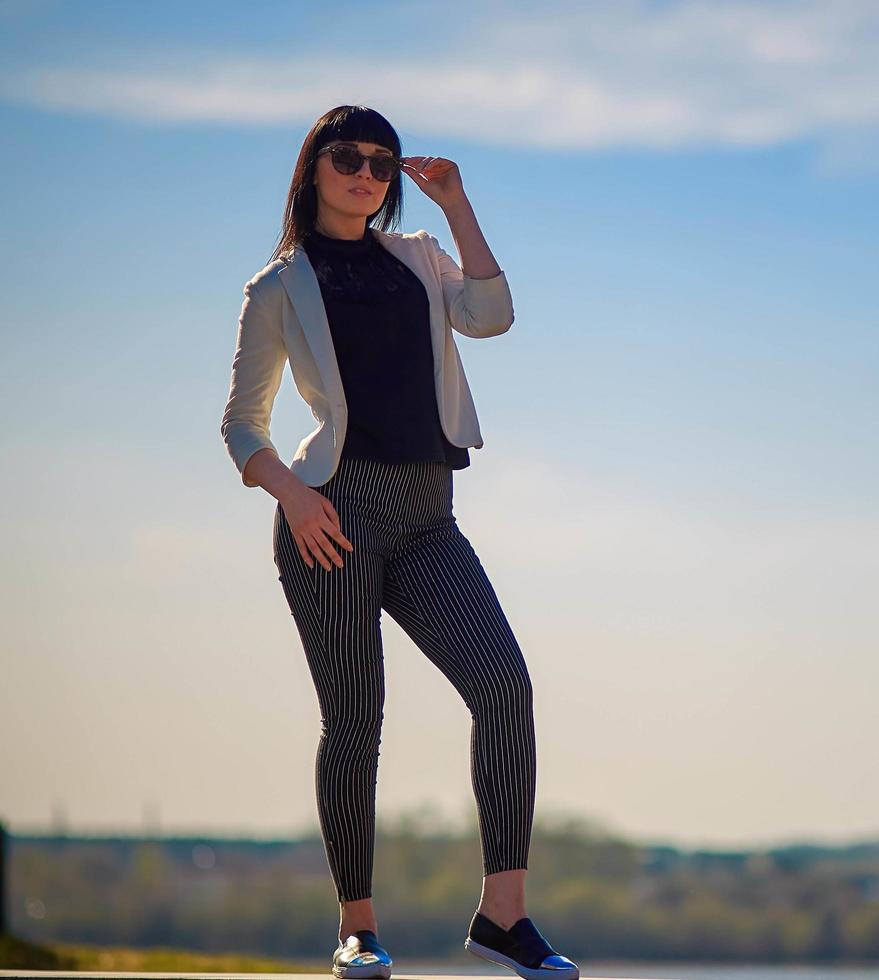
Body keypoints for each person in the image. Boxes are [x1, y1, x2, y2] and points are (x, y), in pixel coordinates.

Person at [220, 104, 578, 980]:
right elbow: (241, 426)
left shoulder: (417, 256)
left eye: (383, 161)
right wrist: (296, 499)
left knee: (503, 686)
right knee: (355, 720)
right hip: (331, 521)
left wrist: (457, 206)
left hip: (428, 519)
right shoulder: (280, 285)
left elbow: (491, 316)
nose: (367, 173)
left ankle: (503, 917)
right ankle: (359, 927)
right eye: (348, 156)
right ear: (315, 167)